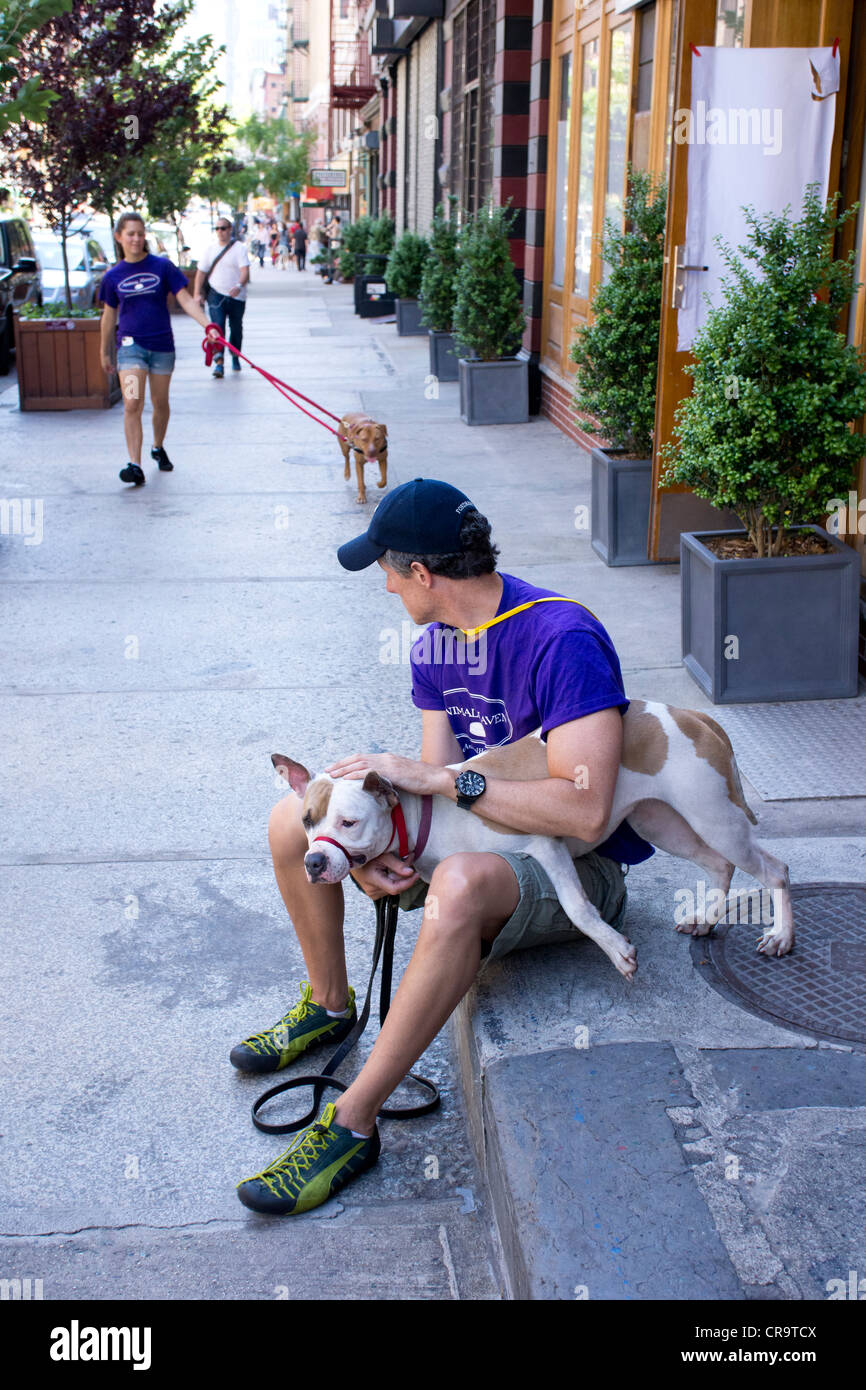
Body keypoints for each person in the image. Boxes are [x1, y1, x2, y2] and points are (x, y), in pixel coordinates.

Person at [232, 478, 655, 1215]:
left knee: (457, 880)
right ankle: (331, 1004)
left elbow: (585, 815)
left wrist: (442, 785)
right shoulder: (434, 647)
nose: (388, 589)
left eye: (389, 575)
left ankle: (351, 1122)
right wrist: (374, 857)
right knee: (288, 819)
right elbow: (434, 787)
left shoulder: (563, 638)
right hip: (477, 837)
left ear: (421, 574)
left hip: (576, 871)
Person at [98, 211, 219, 486]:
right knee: (132, 402)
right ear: (119, 237)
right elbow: (108, 317)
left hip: (162, 346)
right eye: (130, 234)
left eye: (140, 233)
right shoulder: (113, 276)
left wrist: (208, 326)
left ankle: (157, 446)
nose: (136, 239)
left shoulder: (162, 267)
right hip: (130, 348)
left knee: (160, 403)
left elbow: (186, 300)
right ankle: (134, 464)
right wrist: (104, 352)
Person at [193, 218, 251, 379]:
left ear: (230, 229)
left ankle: (235, 355)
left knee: (236, 328)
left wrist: (239, 285)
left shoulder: (239, 249)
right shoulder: (210, 249)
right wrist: (197, 294)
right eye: (217, 228)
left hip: (236, 296)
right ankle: (219, 362)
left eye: (223, 228)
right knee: (217, 328)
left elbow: (245, 271)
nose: (220, 231)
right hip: (215, 294)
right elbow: (201, 273)